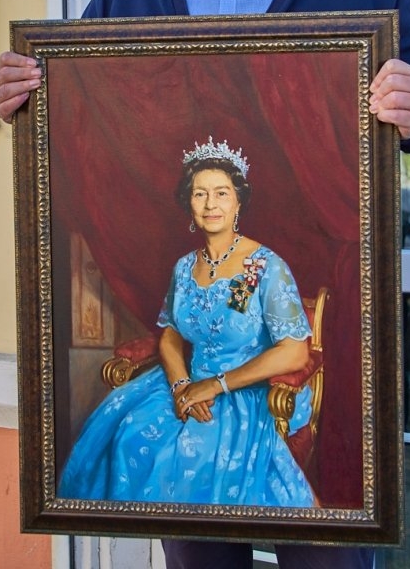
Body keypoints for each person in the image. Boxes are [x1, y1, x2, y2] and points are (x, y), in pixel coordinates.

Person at [0, 0, 410, 569]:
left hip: (317, 326)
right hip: (195, 362)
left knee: (326, 554)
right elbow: (80, 108)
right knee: (193, 550)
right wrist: (25, 98)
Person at [59, 138, 317, 507]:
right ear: (188, 203)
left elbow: (294, 352)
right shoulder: (184, 267)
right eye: (200, 194)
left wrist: (214, 385)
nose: (211, 204)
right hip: (188, 382)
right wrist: (182, 386)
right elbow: (170, 336)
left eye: (222, 193)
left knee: (189, 455)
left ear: (238, 201)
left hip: (245, 392)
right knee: (131, 433)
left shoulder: (264, 265)